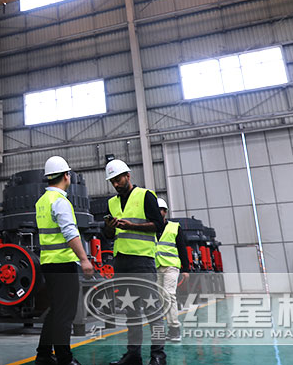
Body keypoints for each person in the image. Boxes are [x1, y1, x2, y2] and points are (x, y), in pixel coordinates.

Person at [103, 159, 166, 365]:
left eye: (118, 179)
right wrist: (111, 227)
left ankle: (158, 356)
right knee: (131, 311)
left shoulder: (146, 196)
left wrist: (131, 226)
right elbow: (110, 235)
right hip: (121, 261)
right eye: (112, 181)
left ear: (128, 176)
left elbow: (158, 226)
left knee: (152, 309)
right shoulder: (112, 203)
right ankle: (133, 355)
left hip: (142, 261)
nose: (115, 184)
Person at [35, 156, 94, 365]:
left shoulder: (42, 202)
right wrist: (84, 259)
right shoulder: (61, 201)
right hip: (63, 265)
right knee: (65, 314)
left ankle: (43, 355)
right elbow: (70, 233)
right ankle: (64, 358)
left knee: (55, 310)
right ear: (66, 176)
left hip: (48, 263)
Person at [155, 198, 190, 343]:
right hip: (156, 266)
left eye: (160, 210)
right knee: (161, 297)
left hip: (171, 266)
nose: (158, 213)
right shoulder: (150, 227)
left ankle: (175, 329)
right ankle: (170, 329)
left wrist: (186, 269)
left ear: (165, 211)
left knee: (169, 295)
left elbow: (182, 248)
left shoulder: (175, 227)